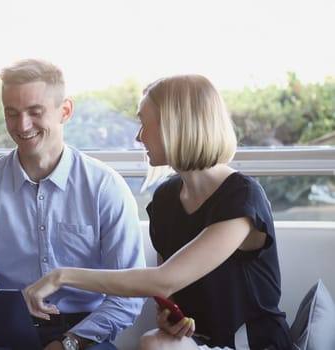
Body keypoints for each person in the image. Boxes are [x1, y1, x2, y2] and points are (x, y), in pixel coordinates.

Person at [24, 74, 293, 349]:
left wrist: (61, 275)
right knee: (155, 339)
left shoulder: (242, 197)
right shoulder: (165, 198)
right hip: (200, 341)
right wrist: (171, 318)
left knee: (154, 344)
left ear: (175, 126)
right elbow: (170, 296)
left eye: (144, 123)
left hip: (252, 342)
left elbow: (164, 280)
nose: (138, 137)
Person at [0, 58, 146, 350]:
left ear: (65, 111)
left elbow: (130, 292)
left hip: (84, 334)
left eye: (35, 112)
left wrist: (70, 342)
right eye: (12, 113)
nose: (22, 126)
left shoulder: (105, 187)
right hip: (2, 330)